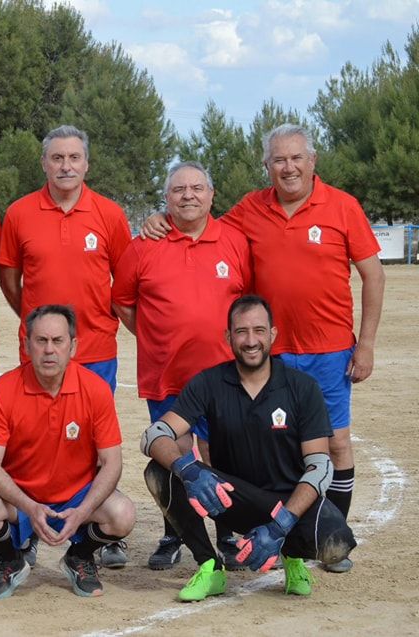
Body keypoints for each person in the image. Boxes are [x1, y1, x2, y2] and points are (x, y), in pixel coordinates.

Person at [142, 125, 385, 573]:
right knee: (263, 447)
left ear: (312, 161)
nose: (287, 167)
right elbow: (197, 215)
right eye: (278, 160)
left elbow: (374, 274)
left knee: (335, 443)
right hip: (267, 352)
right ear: (267, 166)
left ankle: (326, 532)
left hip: (329, 350)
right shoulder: (250, 208)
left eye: (295, 158)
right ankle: (245, 530)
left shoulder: (342, 207)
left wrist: (365, 345)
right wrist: (161, 216)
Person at [141, 296, 356, 602]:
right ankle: (210, 565)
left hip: (287, 504)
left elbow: (320, 466)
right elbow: (154, 435)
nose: (251, 341)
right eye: (241, 332)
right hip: (231, 497)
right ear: (228, 337)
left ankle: (291, 555)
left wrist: (283, 523)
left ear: (273, 334)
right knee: (160, 471)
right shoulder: (208, 382)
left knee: (337, 543)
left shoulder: (302, 387)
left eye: (259, 330)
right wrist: (187, 468)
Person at [0, 124, 131, 568]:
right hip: (40, 352)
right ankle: (31, 525)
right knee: (33, 441)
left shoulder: (110, 215)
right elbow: (11, 282)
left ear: (87, 163)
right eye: (57, 158)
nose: (66, 165)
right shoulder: (19, 213)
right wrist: (40, 328)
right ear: (44, 163)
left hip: (96, 350)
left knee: (92, 446)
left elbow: (124, 280)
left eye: (74, 157)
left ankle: (93, 536)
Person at [112, 161, 251, 571]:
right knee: (173, 455)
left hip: (225, 376)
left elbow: (249, 305)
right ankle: (175, 534)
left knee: (223, 455)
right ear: (167, 197)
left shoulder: (236, 242)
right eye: (178, 190)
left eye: (196, 188)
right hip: (166, 374)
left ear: (211, 194)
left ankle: (227, 532)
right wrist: (156, 337)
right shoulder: (142, 246)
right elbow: (122, 301)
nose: (188, 195)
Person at [0, 305, 135, 599]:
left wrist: (83, 510)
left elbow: (112, 463)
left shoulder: (95, 389)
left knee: (123, 515)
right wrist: (30, 507)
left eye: (58, 341)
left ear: (73, 346)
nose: (49, 350)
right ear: (26, 345)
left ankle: (80, 557)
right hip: (20, 497)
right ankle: (10, 561)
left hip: (76, 497)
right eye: (41, 340)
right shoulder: (3, 389)